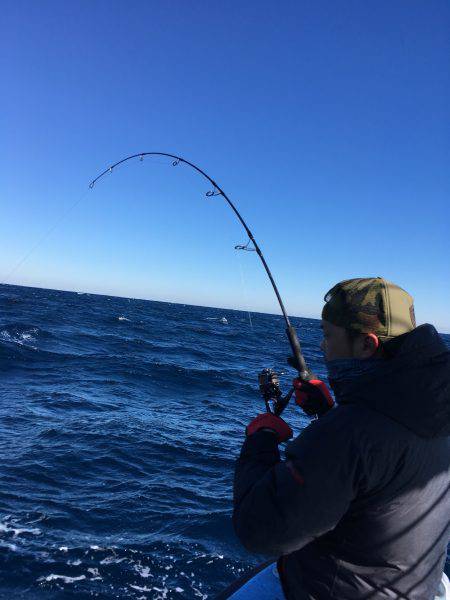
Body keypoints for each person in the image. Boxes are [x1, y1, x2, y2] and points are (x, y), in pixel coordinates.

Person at [233, 277, 450, 600]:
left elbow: (260, 529)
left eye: (327, 334)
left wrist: (260, 442)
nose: (321, 346)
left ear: (367, 345)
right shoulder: (437, 403)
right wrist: (329, 410)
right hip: (416, 586)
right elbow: (381, 472)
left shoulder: (349, 434)